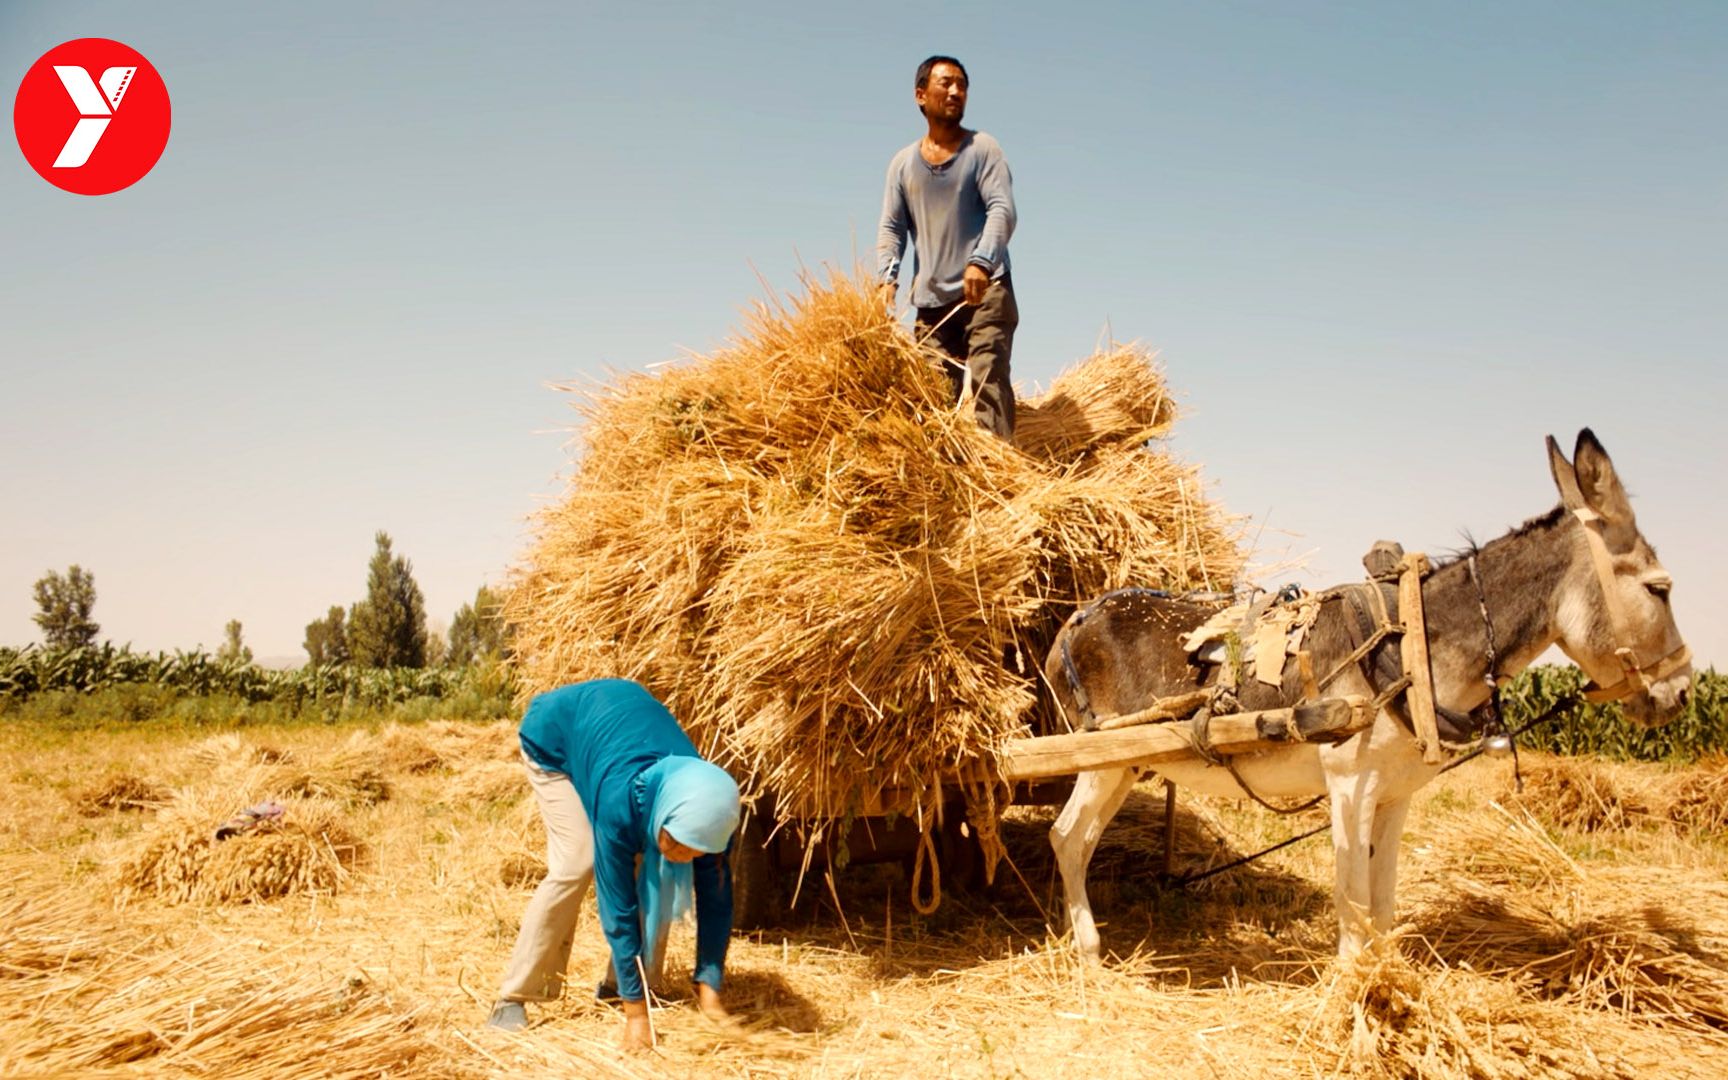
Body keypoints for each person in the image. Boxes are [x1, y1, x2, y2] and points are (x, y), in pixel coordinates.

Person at [486, 678, 741, 1050]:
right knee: (577, 861)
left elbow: (717, 903)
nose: (687, 858)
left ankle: (615, 986)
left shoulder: (706, 807)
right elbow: (617, 908)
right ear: (667, 816)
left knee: (658, 873)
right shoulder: (619, 806)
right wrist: (636, 1016)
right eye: (681, 845)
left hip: (617, 737)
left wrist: (710, 995)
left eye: (696, 852)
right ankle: (512, 997)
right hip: (555, 741)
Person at [877, 55, 1019, 441]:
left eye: (962, 85)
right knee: (930, 400)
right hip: (932, 303)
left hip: (985, 292)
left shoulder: (983, 149)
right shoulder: (903, 165)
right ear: (921, 95)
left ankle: (1000, 470)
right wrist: (886, 279)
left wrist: (981, 261)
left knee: (989, 377)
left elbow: (1002, 209)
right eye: (946, 83)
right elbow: (892, 227)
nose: (956, 91)